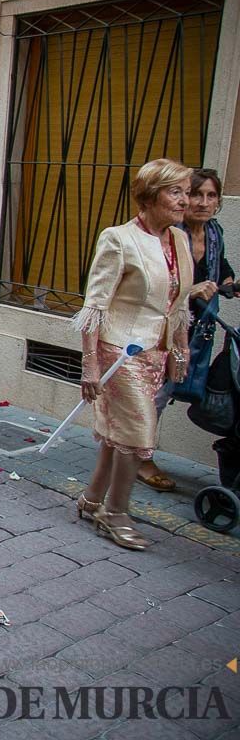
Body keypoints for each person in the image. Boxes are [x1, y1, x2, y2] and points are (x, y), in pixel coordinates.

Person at [72, 158, 193, 551]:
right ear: (150, 194)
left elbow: (179, 301)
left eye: (186, 192)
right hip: (119, 351)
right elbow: (95, 306)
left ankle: (92, 499)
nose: (185, 201)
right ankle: (115, 512)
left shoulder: (178, 240)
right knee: (139, 433)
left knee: (119, 434)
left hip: (155, 351)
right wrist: (89, 365)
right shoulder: (119, 239)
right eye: (176, 191)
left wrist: (179, 347)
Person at [138, 167, 234, 491]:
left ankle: (130, 446)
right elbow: (150, 283)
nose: (203, 202)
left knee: (168, 391)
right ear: (181, 197)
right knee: (158, 393)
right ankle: (141, 457)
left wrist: (229, 282)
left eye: (210, 196)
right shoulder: (168, 234)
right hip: (160, 328)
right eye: (195, 194)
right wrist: (190, 291)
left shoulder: (214, 233)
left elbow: (221, 269)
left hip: (194, 331)